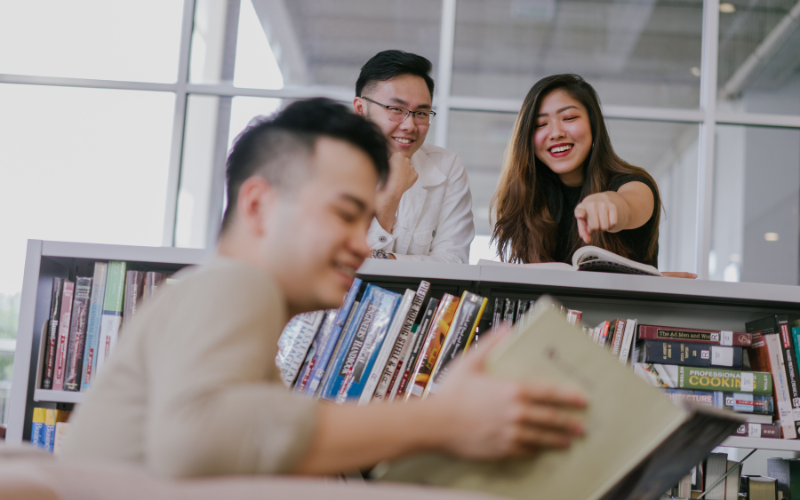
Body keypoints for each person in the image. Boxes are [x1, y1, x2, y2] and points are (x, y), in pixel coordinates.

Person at [61, 98, 587, 477]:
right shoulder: (237, 282)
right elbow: (197, 440)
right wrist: (441, 419)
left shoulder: (217, 302)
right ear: (258, 205)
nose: (362, 244)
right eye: (345, 214)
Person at [493, 74, 688, 275]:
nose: (556, 133)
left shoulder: (635, 184)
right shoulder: (527, 199)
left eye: (569, 118)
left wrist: (610, 203)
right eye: (540, 125)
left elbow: (629, 206)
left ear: (594, 125)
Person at [353, 50, 475, 263]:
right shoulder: (325, 165)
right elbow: (332, 260)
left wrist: (385, 260)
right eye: (396, 109)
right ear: (361, 109)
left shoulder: (447, 166)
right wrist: (391, 195)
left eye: (421, 113)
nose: (410, 126)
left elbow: (454, 262)